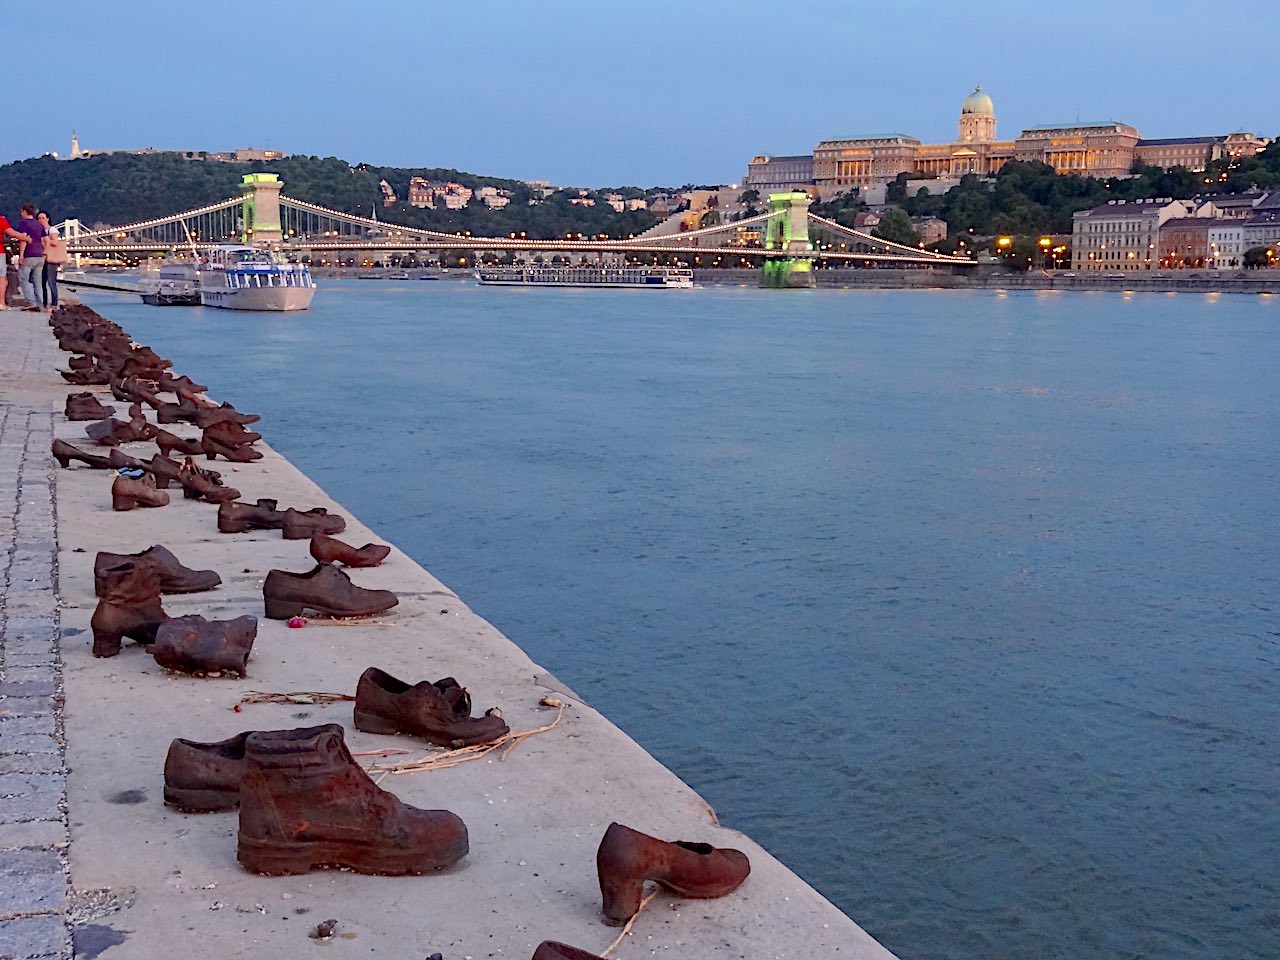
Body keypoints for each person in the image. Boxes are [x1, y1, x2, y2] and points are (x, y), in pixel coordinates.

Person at [15, 204, 47, 312]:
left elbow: (23, 239)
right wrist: (44, 253)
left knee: (23, 278)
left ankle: (31, 301)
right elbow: (45, 240)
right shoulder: (39, 224)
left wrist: (21, 255)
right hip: (40, 256)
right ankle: (40, 304)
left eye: (21, 211)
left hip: (29, 254)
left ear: (24, 211)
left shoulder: (23, 223)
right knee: (38, 281)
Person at [0, 212, 29, 309]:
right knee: (1, 278)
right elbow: (12, 233)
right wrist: (27, 238)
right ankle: (1, 303)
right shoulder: (1, 219)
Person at [38, 211, 64, 311]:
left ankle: (54, 303)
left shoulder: (52, 230)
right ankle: (45, 303)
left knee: (51, 281)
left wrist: (43, 241)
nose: (41, 220)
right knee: (42, 282)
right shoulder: (39, 230)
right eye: (39, 218)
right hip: (42, 258)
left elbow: (55, 242)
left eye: (43, 218)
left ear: (48, 219)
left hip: (51, 259)